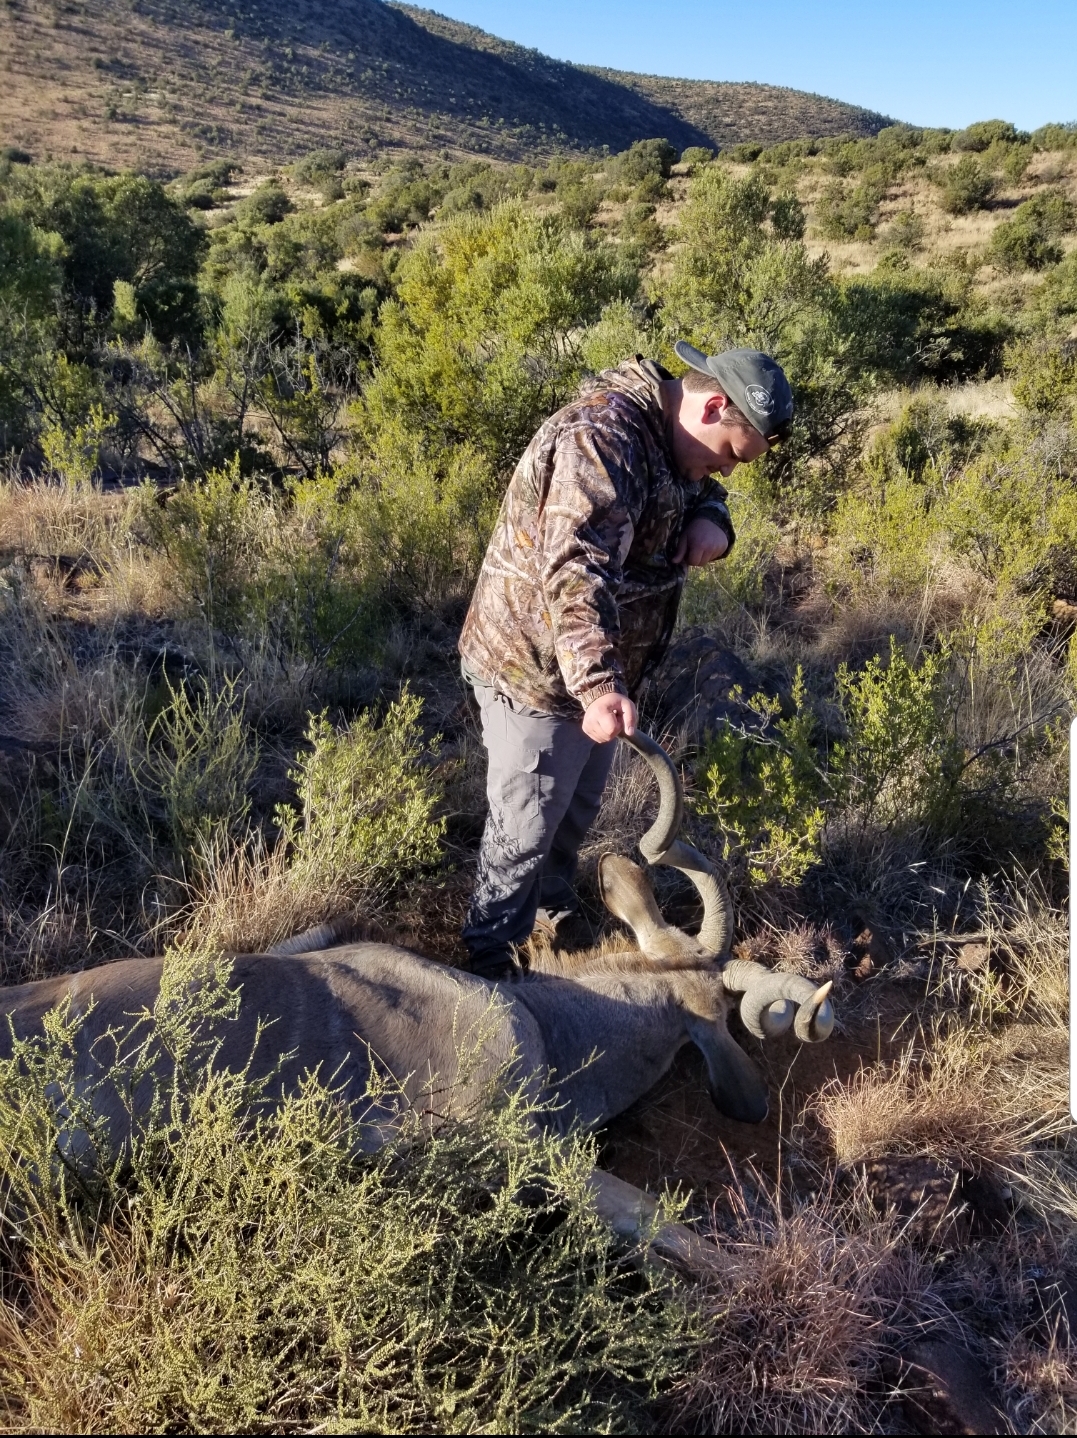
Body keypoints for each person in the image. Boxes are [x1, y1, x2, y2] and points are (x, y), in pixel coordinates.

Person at [458, 342, 794, 980]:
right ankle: (487, 977)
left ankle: (549, 914)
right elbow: (573, 569)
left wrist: (714, 520)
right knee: (525, 826)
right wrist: (598, 685)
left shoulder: (672, 437)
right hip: (537, 677)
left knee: (573, 811)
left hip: (593, 683)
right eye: (728, 453)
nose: (718, 470)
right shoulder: (601, 439)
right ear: (713, 403)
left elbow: (696, 486)